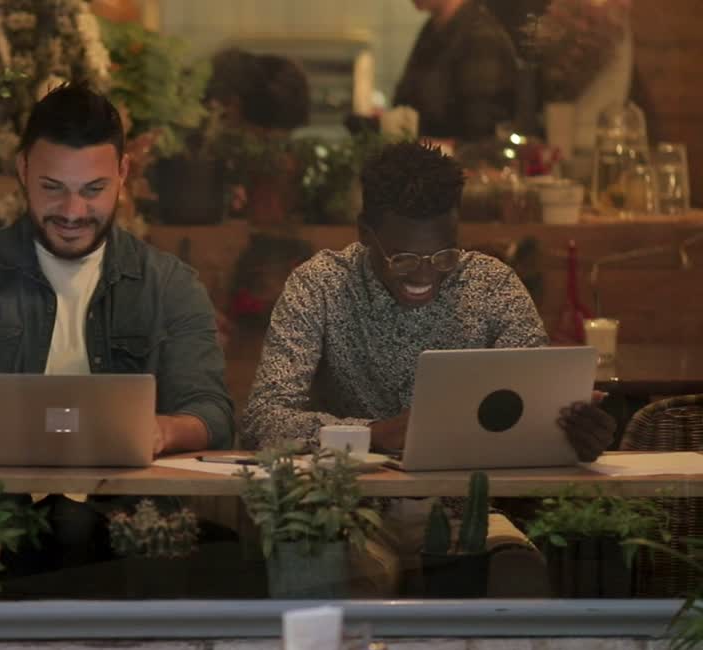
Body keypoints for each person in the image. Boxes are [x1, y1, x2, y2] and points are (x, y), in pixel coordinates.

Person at [241, 141, 615, 462]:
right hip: (352, 506)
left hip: (473, 506)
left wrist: (571, 434)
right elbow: (263, 420)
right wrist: (372, 434)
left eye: (443, 257)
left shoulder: (493, 286)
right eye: (402, 260)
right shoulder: (321, 285)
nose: (424, 276)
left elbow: (532, 417)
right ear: (365, 234)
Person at [0, 82, 233, 455]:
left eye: (93, 189)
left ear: (123, 172)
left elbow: (213, 413)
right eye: (52, 188)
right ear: (23, 169)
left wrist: (162, 431)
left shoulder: (171, 285)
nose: (72, 211)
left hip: (126, 506)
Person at [393, 0, 520, 143]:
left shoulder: (481, 37)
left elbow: (483, 139)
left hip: (456, 163)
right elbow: (402, 106)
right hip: (425, 159)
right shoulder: (432, 30)